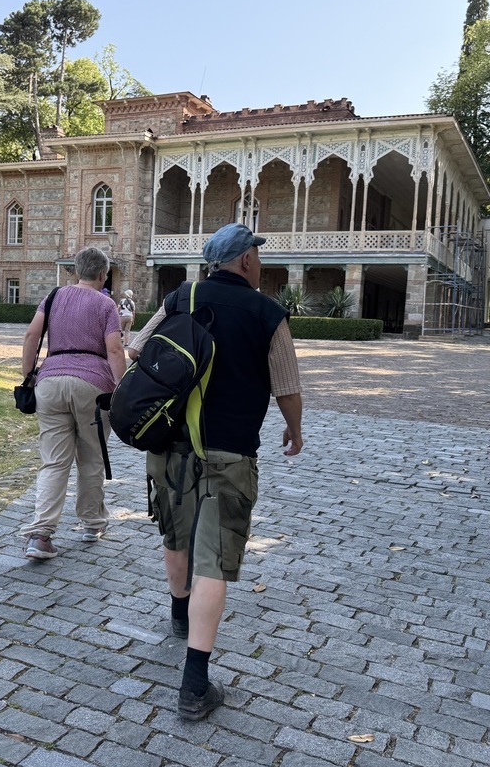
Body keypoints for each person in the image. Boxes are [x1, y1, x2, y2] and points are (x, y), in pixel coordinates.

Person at [127, 222, 304, 720]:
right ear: (246, 260)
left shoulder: (181, 297)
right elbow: (286, 385)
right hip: (229, 455)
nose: (260, 263)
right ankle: (194, 686)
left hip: (169, 447)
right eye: (258, 256)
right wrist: (294, 429)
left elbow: (137, 348)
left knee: (175, 534)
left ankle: (179, 616)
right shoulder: (267, 313)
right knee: (214, 562)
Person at [20, 247, 127, 560]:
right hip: (92, 386)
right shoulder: (106, 304)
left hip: (50, 382)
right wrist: (122, 388)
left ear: (77, 271)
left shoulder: (53, 297)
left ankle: (40, 535)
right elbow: (115, 350)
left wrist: (28, 376)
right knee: (91, 457)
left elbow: (31, 336)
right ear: (103, 274)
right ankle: (92, 524)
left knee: (54, 461)